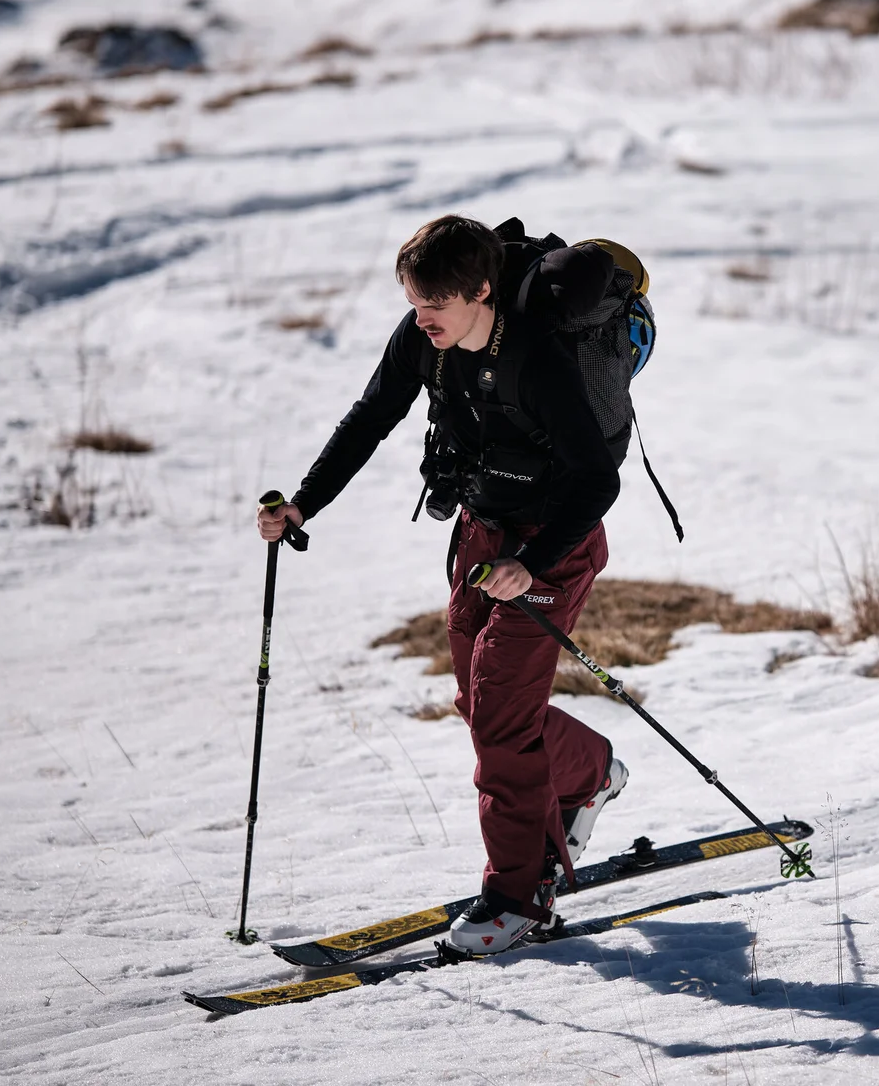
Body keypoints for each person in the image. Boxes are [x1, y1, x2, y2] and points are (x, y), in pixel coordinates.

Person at [255, 214, 629, 956]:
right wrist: (303, 503)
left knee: (497, 717)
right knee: (482, 707)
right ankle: (590, 773)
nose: (420, 319)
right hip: (484, 537)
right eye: (413, 303)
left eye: (435, 307)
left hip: (551, 546)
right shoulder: (421, 339)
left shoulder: (539, 356)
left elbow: (597, 479)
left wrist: (538, 558)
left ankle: (517, 901)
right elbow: (370, 419)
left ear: (481, 292)